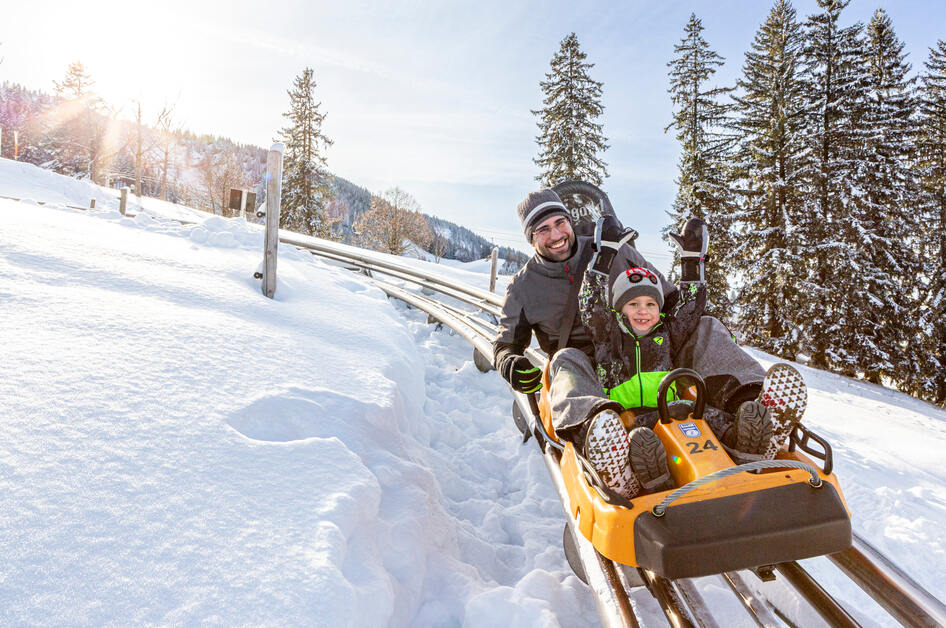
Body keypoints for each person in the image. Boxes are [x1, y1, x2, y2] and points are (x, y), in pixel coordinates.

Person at [493, 189, 805, 499]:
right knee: (564, 358)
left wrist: (693, 273)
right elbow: (505, 344)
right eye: (543, 230)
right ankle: (603, 442)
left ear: (570, 221)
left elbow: (666, 299)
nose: (556, 234)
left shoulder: (613, 248)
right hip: (589, 364)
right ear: (531, 239)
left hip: (639, 344)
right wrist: (511, 363)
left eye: (560, 222)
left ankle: (753, 410)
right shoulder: (522, 286)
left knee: (704, 325)